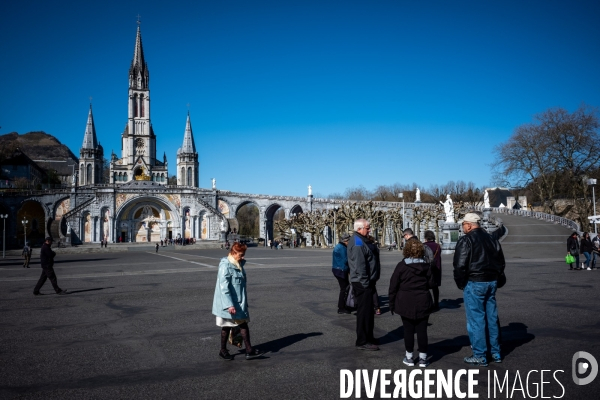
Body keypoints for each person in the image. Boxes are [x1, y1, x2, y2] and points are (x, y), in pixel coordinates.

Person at [453, 213, 505, 366]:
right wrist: (497, 277)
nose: (463, 227)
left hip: (475, 281)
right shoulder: (492, 239)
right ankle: (495, 352)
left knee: (476, 320)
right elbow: (501, 262)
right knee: (492, 318)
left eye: (463, 224)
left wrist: (461, 283)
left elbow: (460, 265)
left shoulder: (466, 240)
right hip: (491, 281)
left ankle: (480, 354)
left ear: (469, 225)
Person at [389, 238, 436, 368]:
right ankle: (423, 358)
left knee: (408, 330)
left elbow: (393, 285)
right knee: (422, 330)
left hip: (405, 300)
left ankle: (409, 357)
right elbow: (432, 284)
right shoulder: (426, 266)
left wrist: (391, 303)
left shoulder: (402, 265)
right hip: (422, 299)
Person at [212, 242, 264, 360]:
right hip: (230, 303)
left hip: (239, 302)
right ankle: (244, 350)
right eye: (241, 254)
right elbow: (223, 287)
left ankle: (228, 350)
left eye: (243, 254)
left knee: (232, 325)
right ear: (233, 253)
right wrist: (228, 305)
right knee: (235, 326)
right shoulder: (225, 266)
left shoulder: (238, 264)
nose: (243, 257)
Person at [347, 218, 380, 350]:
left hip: (366, 282)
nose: (370, 230)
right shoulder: (357, 242)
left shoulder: (360, 240)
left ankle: (368, 337)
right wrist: (366, 283)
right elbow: (360, 266)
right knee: (364, 313)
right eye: (367, 228)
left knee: (368, 312)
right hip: (362, 283)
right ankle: (362, 341)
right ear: (359, 228)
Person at [332, 233, 352, 314]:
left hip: (337, 269)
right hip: (341, 270)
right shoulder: (342, 248)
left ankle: (344, 305)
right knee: (344, 288)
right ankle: (341, 307)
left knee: (345, 288)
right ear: (345, 241)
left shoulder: (338, 246)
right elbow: (345, 260)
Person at [423, 230, 442, 311]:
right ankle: (436, 303)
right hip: (436, 268)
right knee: (435, 287)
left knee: (425, 286)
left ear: (426, 238)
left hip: (426, 268)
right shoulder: (438, 246)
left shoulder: (423, 246)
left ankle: (427, 304)